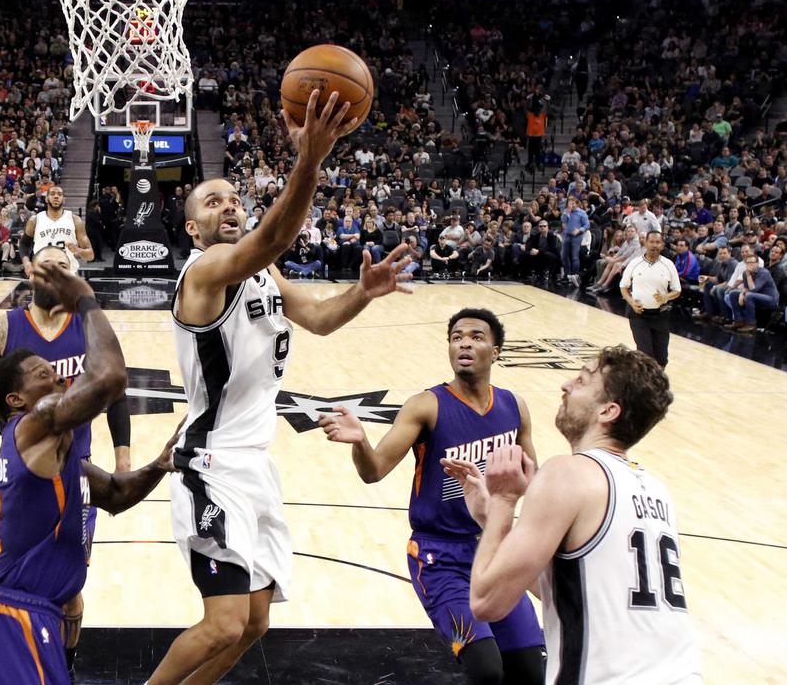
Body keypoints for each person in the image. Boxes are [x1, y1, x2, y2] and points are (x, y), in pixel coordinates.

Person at [148, 90, 413, 685]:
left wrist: (361, 294)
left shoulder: (263, 272)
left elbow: (317, 318)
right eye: (213, 202)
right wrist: (310, 161)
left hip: (255, 464)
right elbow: (269, 240)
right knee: (221, 624)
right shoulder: (202, 274)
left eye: (235, 199)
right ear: (193, 227)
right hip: (211, 465)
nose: (230, 207)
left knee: (255, 624)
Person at [442, 346, 701, 683]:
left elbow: (486, 601)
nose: (566, 384)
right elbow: (565, 587)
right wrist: (491, 519)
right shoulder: (654, 488)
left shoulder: (568, 472)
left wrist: (505, 501)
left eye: (582, 380)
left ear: (607, 411)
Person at [0, 261, 176, 685]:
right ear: (17, 399)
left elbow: (117, 497)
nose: (61, 382)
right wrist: (85, 299)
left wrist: (160, 464)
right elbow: (110, 379)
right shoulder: (32, 425)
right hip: (16, 619)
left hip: (35, 616)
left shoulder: (62, 459)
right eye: (45, 377)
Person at [318, 309, 544, 684]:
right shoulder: (426, 405)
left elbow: (531, 479)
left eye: (475, 336)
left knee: (529, 672)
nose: (465, 343)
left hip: (496, 548)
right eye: (456, 337)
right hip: (441, 558)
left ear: (496, 350)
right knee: (487, 670)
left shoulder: (514, 407)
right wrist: (360, 442)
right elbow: (373, 471)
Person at [619, 230, 680, 367]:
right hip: (638, 314)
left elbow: (677, 290)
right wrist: (631, 302)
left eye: (658, 242)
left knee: (662, 358)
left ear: (662, 245)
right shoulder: (635, 263)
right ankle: (643, 386)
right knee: (645, 355)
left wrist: (665, 297)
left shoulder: (668, 265)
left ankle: (657, 386)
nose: (654, 245)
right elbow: (623, 287)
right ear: (645, 243)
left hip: (660, 315)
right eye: (651, 242)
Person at [22, 186, 94, 275]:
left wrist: (77, 250)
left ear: (63, 199)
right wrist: (26, 263)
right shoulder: (35, 220)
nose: (56, 196)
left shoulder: (75, 220)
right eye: (52, 194)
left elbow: (90, 255)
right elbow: (24, 244)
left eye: (59, 194)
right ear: (46, 199)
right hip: (42, 274)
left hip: (68, 275)